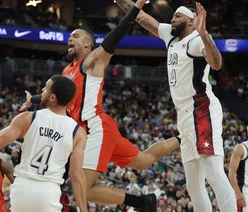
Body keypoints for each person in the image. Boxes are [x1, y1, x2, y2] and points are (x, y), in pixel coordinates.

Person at [24, 0, 181, 211]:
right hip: (99, 128)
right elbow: (51, 96)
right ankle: (185, 138)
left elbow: (114, 36)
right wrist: (33, 100)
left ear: (88, 44)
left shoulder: (92, 61)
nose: (70, 38)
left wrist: (136, 8)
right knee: (143, 161)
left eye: (76, 36)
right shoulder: (66, 72)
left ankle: (141, 202)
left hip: (95, 127)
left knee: (84, 189)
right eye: (70, 37)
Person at [115, 1, 237, 211]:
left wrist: (205, 34)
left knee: (213, 172)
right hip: (183, 113)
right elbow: (143, 18)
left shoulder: (197, 41)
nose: (172, 20)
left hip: (201, 108)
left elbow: (216, 64)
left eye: (177, 17)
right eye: (172, 17)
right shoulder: (170, 36)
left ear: (191, 21)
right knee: (193, 182)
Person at [0, 75, 87, 212]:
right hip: (48, 192)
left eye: (46, 88)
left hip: (22, 189)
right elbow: (76, 175)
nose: (42, 89)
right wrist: (84, 209)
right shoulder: (78, 132)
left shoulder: (28, 118)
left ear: (52, 98)